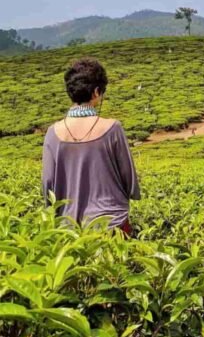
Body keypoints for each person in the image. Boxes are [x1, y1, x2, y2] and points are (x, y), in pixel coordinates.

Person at [42, 57, 140, 235]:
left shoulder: (52, 133)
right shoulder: (112, 128)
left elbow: (47, 186)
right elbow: (130, 182)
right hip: (112, 225)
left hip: (69, 229)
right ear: (96, 92)